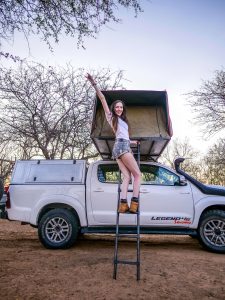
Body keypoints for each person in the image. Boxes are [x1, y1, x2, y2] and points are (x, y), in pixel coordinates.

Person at [86, 73, 141, 213]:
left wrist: (134, 141)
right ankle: (134, 203)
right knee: (137, 175)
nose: (119, 109)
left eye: (121, 107)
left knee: (127, 177)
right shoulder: (111, 118)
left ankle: (123, 204)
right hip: (122, 147)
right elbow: (103, 98)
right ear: (113, 108)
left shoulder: (123, 122)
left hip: (119, 147)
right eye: (117, 107)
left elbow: (124, 137)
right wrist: (94, 84)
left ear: (123, 109)